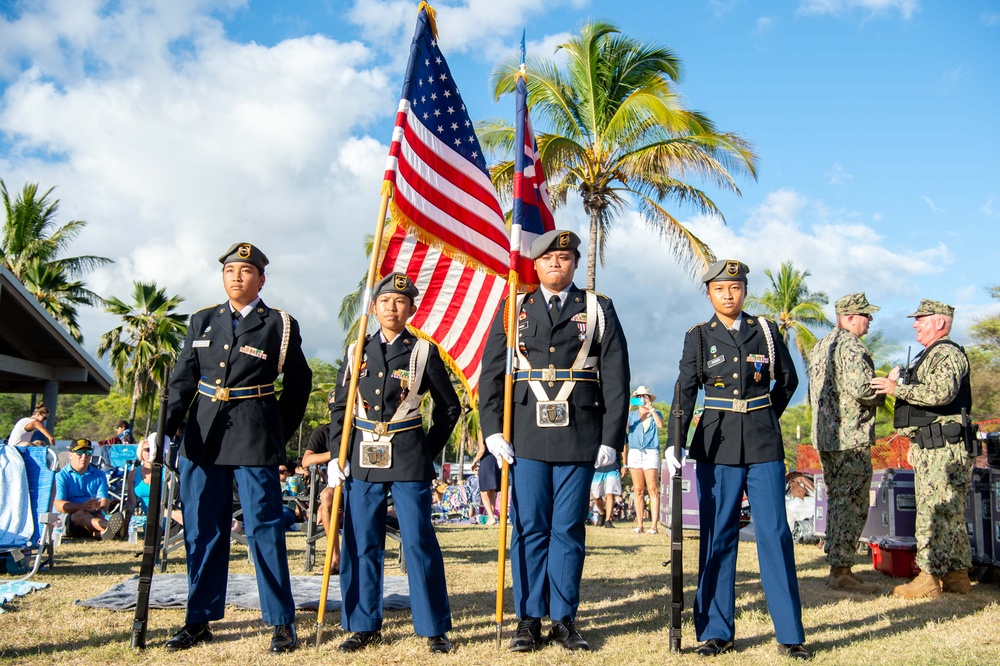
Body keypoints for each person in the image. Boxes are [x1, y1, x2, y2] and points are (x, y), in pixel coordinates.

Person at [479, 229, 630, 652]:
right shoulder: (514, 309)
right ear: (536, 265)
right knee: (529, 529)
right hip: (524, 434)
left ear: (575, 264)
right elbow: (491, 373)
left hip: (581, 434)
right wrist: (492, 430)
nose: (555, 265)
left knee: (567, 529)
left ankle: (563, 619)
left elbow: (617, 378)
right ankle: (528, 619)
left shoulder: (599, 309)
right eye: (547, 259)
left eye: (564, 258)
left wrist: (611, 437)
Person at [162, 242, 311, 653]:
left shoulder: (278, 323)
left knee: (264, 527)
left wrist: (277, 432)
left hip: (254, 434)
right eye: (230, 270)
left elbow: (299, 385)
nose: (237, 276)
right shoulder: (202, 320)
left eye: (246, 271)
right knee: (202, 529)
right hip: (203, 435)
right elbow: (182, 382)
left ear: (261, 278)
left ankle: (280, 620)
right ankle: (199, 618)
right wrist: (164, 431)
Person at [667, 259, 808, 660]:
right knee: (717, 536)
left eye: (735, 287)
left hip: (763, 445)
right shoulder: (697, 337)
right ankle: (716, 631)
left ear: (744, 290)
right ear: (709, 293)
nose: (728, 295)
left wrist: (763, 416)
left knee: (776, 535)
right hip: (717, 444)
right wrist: (675, 443)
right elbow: (686, 389)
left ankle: (791, 634)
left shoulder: (764, 330)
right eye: (719, 289)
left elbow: (788, 380)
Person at [327, 272, 461, 654]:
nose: (392, 307)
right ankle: (362, 624)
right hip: (362, 456)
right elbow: (341, 407)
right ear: (373, 307)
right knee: (360, 541)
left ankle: (433, 627)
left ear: (411, 309)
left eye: (400, 302)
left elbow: (450, 408)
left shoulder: (422, 352)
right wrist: (339, 453)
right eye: (385, 301)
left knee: (418, 540)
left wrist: (425, 449)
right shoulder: (356, 352)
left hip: (406, 456)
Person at [871, 299, 974, 599]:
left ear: (940, 323)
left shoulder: (947, 353)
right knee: (947, 511)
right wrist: (900, 376)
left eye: (921, 319)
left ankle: (929, 577)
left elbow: (942, 393)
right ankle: (956, 576)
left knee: (934, 512)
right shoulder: (928, 355)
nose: (915, 324)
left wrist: (896, 389)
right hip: (934, 445)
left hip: (944, 447)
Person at [807, 292, 884, 594]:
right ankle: (841, 568)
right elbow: (863, 390)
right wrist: (887, 386)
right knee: (851, 503)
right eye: (866, 315)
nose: (870, 320)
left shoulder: (821, 345)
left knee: (837, 500)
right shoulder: (851, 346)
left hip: (826, 437)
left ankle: (837, 566)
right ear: (850, 318)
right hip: (850, 438)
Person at [53, 438, 125, 539]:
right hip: (69, 517)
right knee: (80, 514)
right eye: (79, 452)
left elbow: (104, 500)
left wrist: (101, 512)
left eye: (88, 452)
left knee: (97, 515)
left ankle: (103, 533)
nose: (84, 456)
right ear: (70, 455)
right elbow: (58, 505)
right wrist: (82, 506)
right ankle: (112, 528)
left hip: (93, 514)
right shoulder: (61, 476)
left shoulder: (99, 475)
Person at [301, 420, 341, 571]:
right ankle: (335, 557)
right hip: (336, 487)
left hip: (362, 484)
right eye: (334, 406)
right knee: (326, 497)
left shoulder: (360, 427)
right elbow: (306, 461)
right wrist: (337, 452)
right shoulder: (324, 432)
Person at [624, 385, 664, 534]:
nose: (642, 399)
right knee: (638, 490)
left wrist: (651, 410)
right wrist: (629, 404)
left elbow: (660, 425)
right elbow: (623, 426)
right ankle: (640, 524)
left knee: (653, 489)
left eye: (644, 396)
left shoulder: (656, 413)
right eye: (639, 397)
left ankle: (653, 526)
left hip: (651, 451)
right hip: (635, 452)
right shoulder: (632, 415)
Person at [471, 432, 499, 525]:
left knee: (484, 493)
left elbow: (482, 450)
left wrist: (474, 461)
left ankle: (491, 518)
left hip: (486, 462)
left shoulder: (482, 432)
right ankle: (490, 518)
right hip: (495, 461)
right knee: (492, 493)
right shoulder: (497, 430)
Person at [590, 456, 622, 528]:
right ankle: (602, 513)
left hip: (613, 466)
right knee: (596, 496)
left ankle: (608, 520)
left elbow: (624, 446)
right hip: (597, 467)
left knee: (610, 493)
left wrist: (625, 465)